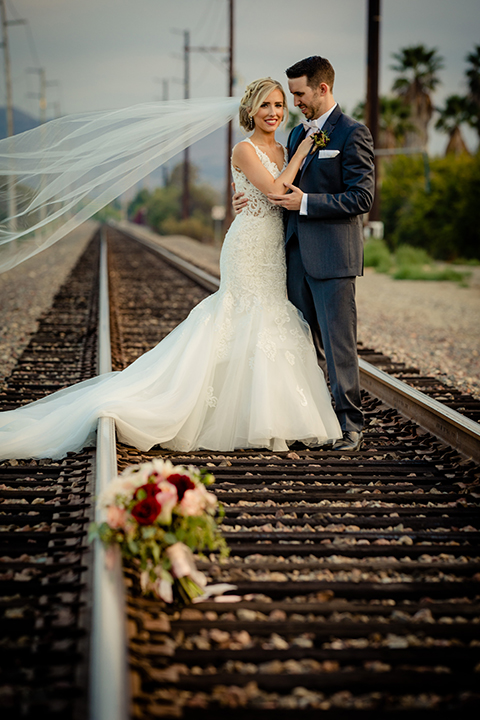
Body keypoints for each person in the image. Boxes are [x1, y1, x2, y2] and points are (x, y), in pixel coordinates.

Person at [0, 78, 342, 461]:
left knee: (268, 320)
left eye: (280, 105)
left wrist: (296, 154)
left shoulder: (285, 146)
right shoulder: (243, 150)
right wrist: (302, 153)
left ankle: (270, 418)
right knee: (241, 316)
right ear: (250, 110)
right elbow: (277, 191)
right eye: (266, 105)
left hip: (275, 247)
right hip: (247, 247)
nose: (274, 112)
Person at [233, 57, 375, 451]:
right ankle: (311, 418)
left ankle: (351, 427)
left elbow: (362, 197)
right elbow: (274, 185)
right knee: (296, 344)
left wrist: (308, 203)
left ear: (322, 89)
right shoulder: (295, 136)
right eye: (289, 95)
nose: (294, 103)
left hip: (332, 258)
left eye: (298, 94)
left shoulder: (352, 133)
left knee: (337, 346)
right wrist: (243, 197)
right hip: (290, 256)